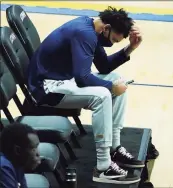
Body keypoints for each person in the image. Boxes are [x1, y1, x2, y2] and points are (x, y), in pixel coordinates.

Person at [27, 6, 144, 184]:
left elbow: (103, 67)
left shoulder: (92, 28)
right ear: (106, 28)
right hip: (46, 88)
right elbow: (82, 78)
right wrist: (111, 88)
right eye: (113, 40)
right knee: (103, 95)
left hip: (64, 80)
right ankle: (103, 167)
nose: (112, 44)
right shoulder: (84, 34)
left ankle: (114, 147)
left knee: (117, 79)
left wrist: (130, 48)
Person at [0, 123, 41, 188]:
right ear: (18, 150)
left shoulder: (18, 164)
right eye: (33, 149)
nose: (38, 154)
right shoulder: (3, 167)